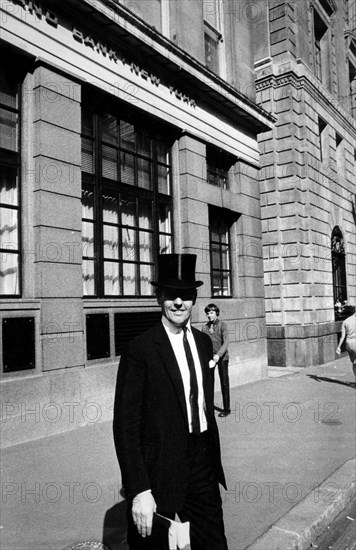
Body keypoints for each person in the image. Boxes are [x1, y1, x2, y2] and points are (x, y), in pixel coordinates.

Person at [113, 254, 228, 550]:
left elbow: (202, 405)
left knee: (213, 543)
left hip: (202, 462)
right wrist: (139, 489)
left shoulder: (203, 343)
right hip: (159, 470)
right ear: (158, 298)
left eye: (186, 296)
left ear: (194, 299)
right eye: (171, 295)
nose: (179, 303)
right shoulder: (140, 349)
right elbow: (126, 426)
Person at [201, 304, 230, 417]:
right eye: (207, 313)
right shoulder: (204, 328)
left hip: (222, 357)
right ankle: (209, 407)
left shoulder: (223, 325)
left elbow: (226, 342)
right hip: (210, 359)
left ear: (216, 313)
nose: (209, 315)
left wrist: (218, 355)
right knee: (209, 383)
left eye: (211, 312)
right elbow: (202, 343)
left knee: (224, 382)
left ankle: (227, 409)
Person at [336, 304, 356, 383]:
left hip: (348, 343)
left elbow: (342, 336)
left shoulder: (345, 322)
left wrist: (339, 347)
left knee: (354, 362)